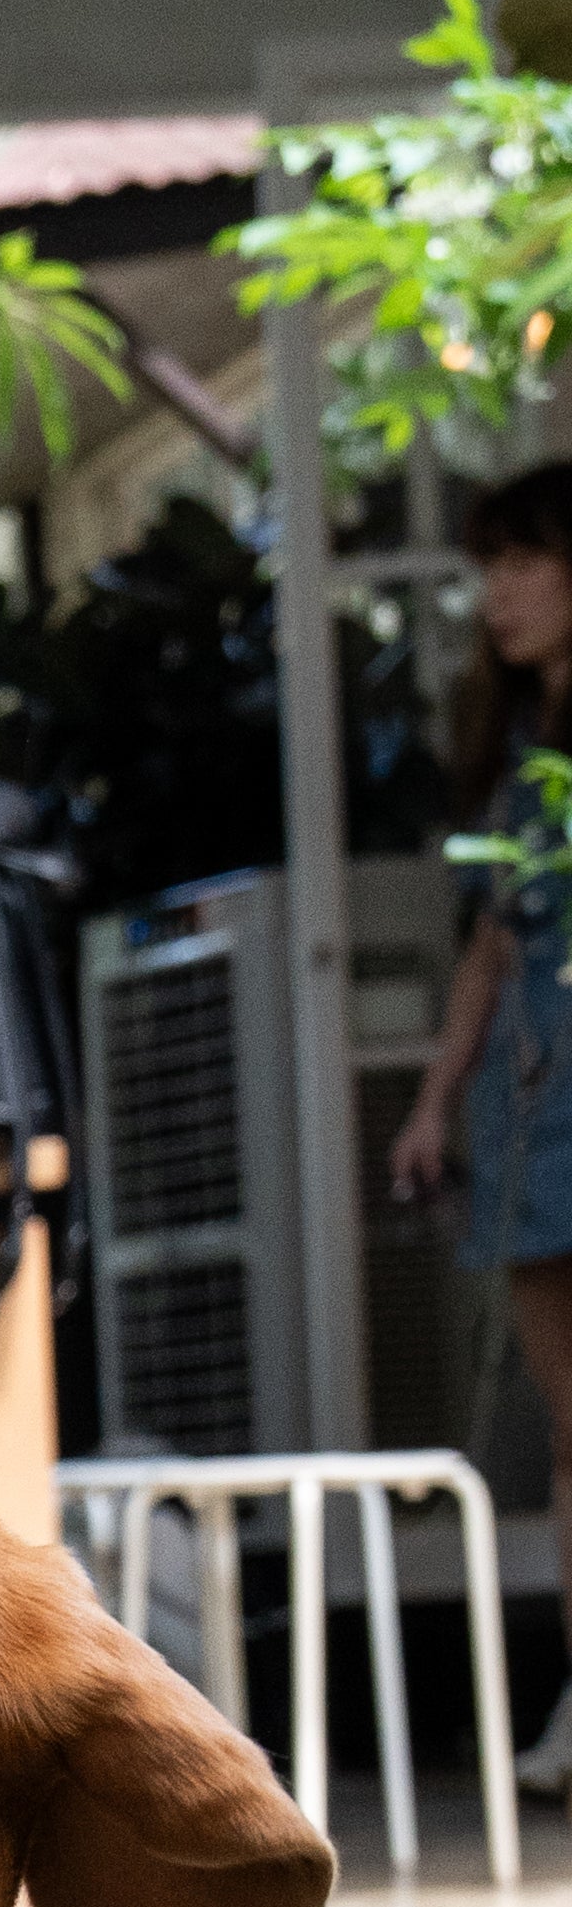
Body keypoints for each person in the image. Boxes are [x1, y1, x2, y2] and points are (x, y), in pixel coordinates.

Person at [391, 456, 572, 1799]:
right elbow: (496, 947)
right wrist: (434, 1100)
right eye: (488, 568)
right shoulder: (519, 749)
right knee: (571, 1430)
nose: (499, 595)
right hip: (530, 1102)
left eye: (525, 562)